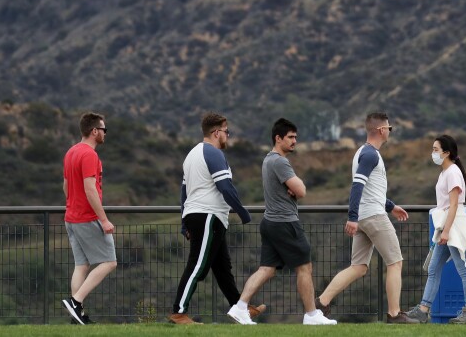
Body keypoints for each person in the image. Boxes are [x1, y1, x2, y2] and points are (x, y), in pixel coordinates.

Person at [227, 118, 336, 325]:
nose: (295, 141)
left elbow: (294, 189)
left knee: (266, 269)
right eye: (290, 137)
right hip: (285, 222)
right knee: (305, 268)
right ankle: (312, 315)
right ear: (278, 138)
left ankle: (240, 307)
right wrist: (295, 189)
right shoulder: (280, 161)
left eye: (296, 137)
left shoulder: (268, 160)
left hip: (270, 222)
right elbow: (302, 190)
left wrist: (292, 189)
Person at [315, 112, 418, 324]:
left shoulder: (363, 152)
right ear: (381, 130)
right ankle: (394, 314)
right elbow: (357, 186)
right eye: (389, 128)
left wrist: (390, 206)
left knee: (359, 267)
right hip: (372, 217)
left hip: (365, 216)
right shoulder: (371, 155)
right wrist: (351, 217)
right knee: (395, 262)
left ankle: (321, 303)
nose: (390, 131)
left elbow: (371, 190)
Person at [169, 113, 263, 325]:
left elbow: (184, 192)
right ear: (216, 132)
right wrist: (242, 212)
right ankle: (178, 312)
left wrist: (184, 221)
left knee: (222, 268)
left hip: (201, 215)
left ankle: (240, 307)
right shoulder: (213, 154)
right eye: (226, 132)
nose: (228, 136)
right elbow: (225, 187)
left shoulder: (191, 155)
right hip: (208, 216)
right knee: (197, 266)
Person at [406, 135, 466, 324]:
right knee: (433, 267)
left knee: (463, 268)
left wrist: (446, 231)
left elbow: (454, 205)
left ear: (446, 153)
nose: (433, 153)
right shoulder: (445, 172)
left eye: (436, 149)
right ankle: (423, 309)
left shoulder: (453, 172)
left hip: (453, 225)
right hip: (446, 225)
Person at [62, 112, 117, 325]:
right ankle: (76, 301)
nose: (105, 133)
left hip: (71, 217)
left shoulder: (71, 152)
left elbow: (66, 186)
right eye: (103, 129)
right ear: (95, 131)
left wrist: (73, 204)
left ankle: (78, 316)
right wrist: (103, 220)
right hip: (87, 218)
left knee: (81, 265)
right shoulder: (89, 155)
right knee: (109, 262)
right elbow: (90, 189)